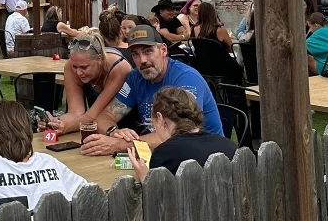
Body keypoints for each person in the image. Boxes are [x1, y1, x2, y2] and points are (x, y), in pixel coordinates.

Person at [80, 25, 223, 157]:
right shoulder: (135, 78)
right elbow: (104, 117)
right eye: (135, 54)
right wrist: (114, 132)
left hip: (207, 158)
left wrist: (119, 144)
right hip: (167, 156)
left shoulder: (186, 78)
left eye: (148, 51)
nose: (142, 60)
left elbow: (179, 135)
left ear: (163, 50)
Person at [127, 87, 238, 180]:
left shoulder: (165, 153)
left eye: (153, 124)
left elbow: (160, 197)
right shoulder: (228, 145)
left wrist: (144, 178)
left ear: (160, 118)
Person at [48, 32, 139, 136]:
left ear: (99, 59)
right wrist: (55, 123)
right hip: (101, 125)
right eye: (75, 67)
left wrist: (66, 127)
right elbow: (75, 113)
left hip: (130, 123)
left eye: (84, 67)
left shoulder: (118, 68)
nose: (78, 72)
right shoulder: (71, 66)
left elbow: (91, 116)